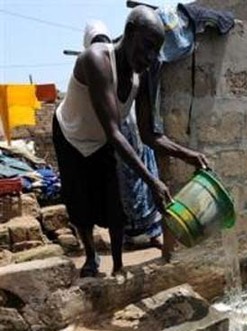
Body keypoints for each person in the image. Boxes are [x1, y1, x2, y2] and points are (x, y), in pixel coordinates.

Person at [53, 6, 208, 277]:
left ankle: (118, 266)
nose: (149, 57)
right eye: (146, 47)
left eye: (154, 51)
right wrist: (153, 182)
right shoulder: (97, 60)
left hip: (101, 139)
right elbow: (114, 132)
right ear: (129, 33)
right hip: (71, 134)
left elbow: (149, 134)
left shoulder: (142, 73)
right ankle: (91, 257)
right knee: (80, 200)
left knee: (114, 204)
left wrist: (189, 155)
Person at [83, 20, 163, 251]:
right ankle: (129, 237)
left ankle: (152, 232)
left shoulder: (131, 69)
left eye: (103, 40)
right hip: (113, 139)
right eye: (95, 42)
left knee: (145, 185)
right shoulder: (95, 64)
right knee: (124, 189)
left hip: (134, 134)